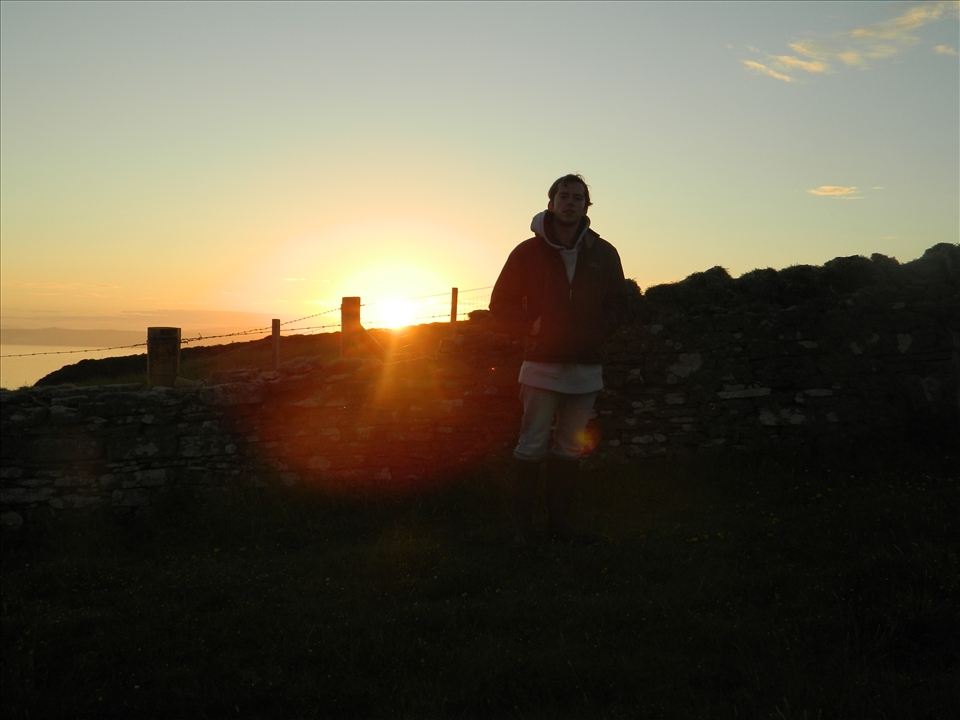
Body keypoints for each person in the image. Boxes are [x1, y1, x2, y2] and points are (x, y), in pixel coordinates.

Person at [490, 174, 629, 543]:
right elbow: (499, 305)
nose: (570, 202)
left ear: (586, 207)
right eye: (563, 196)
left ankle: (560, 524)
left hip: (587, 365)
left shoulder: (603, 252)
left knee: (569, 446)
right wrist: (532, 326)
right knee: (531, 444)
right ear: (550, 203)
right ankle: (521, 527)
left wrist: (599, 329)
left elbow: (619, 302)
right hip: (541, 364)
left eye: (578, 197)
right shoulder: (526, 252)